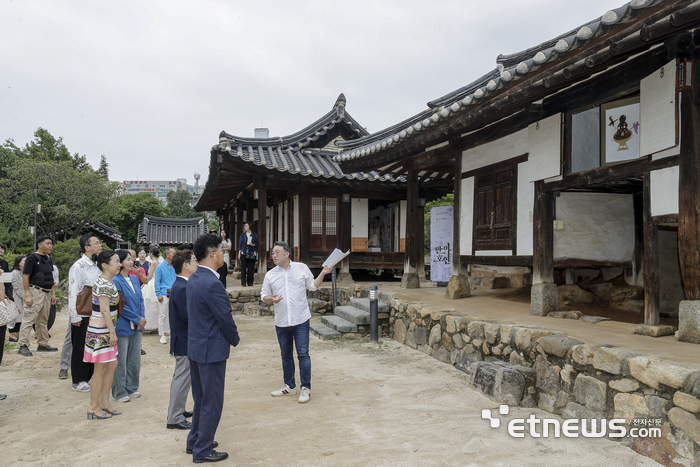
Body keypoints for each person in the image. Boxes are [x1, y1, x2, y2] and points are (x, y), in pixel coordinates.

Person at [187, 234, 240, 463]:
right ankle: (203, 450)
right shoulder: (212, 283)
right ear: (212, 254)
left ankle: (196, 441)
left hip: (197, 346)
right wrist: (235, 338)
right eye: (221, 250)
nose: (223, 253)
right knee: (212, 401)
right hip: (211, 349)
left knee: (201, 398)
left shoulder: (194, 278)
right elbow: (224, 317)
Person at [262, 241, 331, 404]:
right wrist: (271, 299)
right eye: (272, 253)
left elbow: (313, 286)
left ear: (287, 254)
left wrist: (323, 273)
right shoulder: (270, 274)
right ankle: (289, 386)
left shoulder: (301, 268)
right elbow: (263, 295)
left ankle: (305, 388)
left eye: (277, 252)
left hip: (300, 319)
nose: (274, 256)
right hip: (282, 321)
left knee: (303, 354)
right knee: (285, 355)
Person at [61, 234, 102, 388]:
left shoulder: (97, 265)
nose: (100, 245)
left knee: (93, 346)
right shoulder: (78, 266)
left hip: (95, 312)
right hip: (82, 313)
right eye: (96, 242)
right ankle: (78, 380)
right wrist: (74, 315)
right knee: (80, 347)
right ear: (87, 247)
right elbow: (73, 292)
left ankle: (90, 376)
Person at [84, 250, 121, 420]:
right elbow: (105, 309)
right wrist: (112, 332)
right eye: (116, 261)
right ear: (105, 265)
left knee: (111, 365)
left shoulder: (107, 281)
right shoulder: (104, 283)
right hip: (102, 330)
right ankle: (93, 406)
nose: (119, 264)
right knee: (100, 368)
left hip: (105, 328)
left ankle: (104, 402)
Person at [166, 250, 197, 431]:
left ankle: (178, 410)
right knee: (182, 377)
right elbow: (187, 316)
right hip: (184, 339)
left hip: (183, 338)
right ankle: (175, 417)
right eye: (193, 260)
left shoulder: (180, 285)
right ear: (185, 265)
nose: (196, 263)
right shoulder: (182, 287)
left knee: (183, 377)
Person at [111, 250, 147, 403]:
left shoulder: (134, 278)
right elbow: (120, 304)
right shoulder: (115, 280)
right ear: (120, 263)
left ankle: (132, 387)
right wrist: (137, 318)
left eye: (132, 258)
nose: (132, 261)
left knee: (134, 359)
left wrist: (142, 318)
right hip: (123, 324)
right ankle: (119, 391)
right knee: (121, 359)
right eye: (127, 259)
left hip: (138, 324)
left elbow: (140, 301)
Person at [18, 236, 57, 356]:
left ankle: (43, 343)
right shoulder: (32, 258)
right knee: (29, 319)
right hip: (35, 291)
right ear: (40, 245)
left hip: (46, 292)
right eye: (47, 243)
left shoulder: (48, 258)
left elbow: (50, 276)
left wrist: (53, 293)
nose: (50, 246)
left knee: (43, 320)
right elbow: (25, 277)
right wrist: (27, 295)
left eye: (51, 243)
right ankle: (23, 345)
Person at [154, 247, 176, 344]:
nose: (175, 255)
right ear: (167, 255)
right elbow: (157, 281)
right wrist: (158, 294)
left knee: (172, 314)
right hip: (164, 293)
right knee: (163, 314)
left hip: (175, 292)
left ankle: (169, 333)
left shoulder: (176, 266)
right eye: (173, 253)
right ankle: (162, 335)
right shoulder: (160, 267)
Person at [141, 247, 161, 333]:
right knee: (154, 306)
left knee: (148, 304)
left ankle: (150, 325)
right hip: (157, 282)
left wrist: (144, 282)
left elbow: (150, 276)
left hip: (152, 282)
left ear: (151, 254)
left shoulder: (153, 263)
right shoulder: (160, 262)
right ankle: (156, 325)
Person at [9, 256, 26, 342]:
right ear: (19, 262)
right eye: (24, 261)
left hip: (24, 296)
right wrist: (24, 296)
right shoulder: (15, 273)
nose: (26, 262)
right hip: (16, 297)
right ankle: (12, 335)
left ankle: (18, 333)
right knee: (15, 316)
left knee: (21, 316)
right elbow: (16, 287)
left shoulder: (25, 272)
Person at [237, 223, 259, 287]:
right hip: (244, 252)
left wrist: (253, 244)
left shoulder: (254, 235)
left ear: (250, 226)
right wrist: (239, 253)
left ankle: (250, 282)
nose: (245, 227)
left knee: (250, 268)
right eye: (245, 226)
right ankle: (243, 283)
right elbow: (240, 245)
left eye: (246, 226)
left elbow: (257, 244)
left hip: (251, 253)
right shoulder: (243, 235)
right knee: (243, 268)